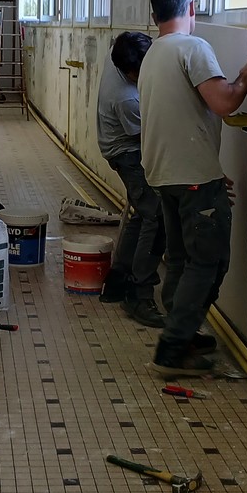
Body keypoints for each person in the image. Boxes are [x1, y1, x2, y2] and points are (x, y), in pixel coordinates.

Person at [138, 0, 247, 376]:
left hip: (166, 175)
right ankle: (173, 348)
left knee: (180, 258)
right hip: (191, 177)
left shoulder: (153, 54)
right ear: (191, 9)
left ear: (155, 16)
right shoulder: (192, 48)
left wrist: (207, 171)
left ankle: (182, 329)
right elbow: (224, 103)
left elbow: (175, 118)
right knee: (209, 262)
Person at [95, 31, 166, 328]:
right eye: (138, 73)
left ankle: (118, 279)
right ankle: (139, 293)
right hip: (126, 152)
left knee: (143, 212)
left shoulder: (118, 51)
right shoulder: (126, 99)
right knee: (157, 217)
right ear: (127, 71)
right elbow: (147, 137)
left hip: (122, 146)